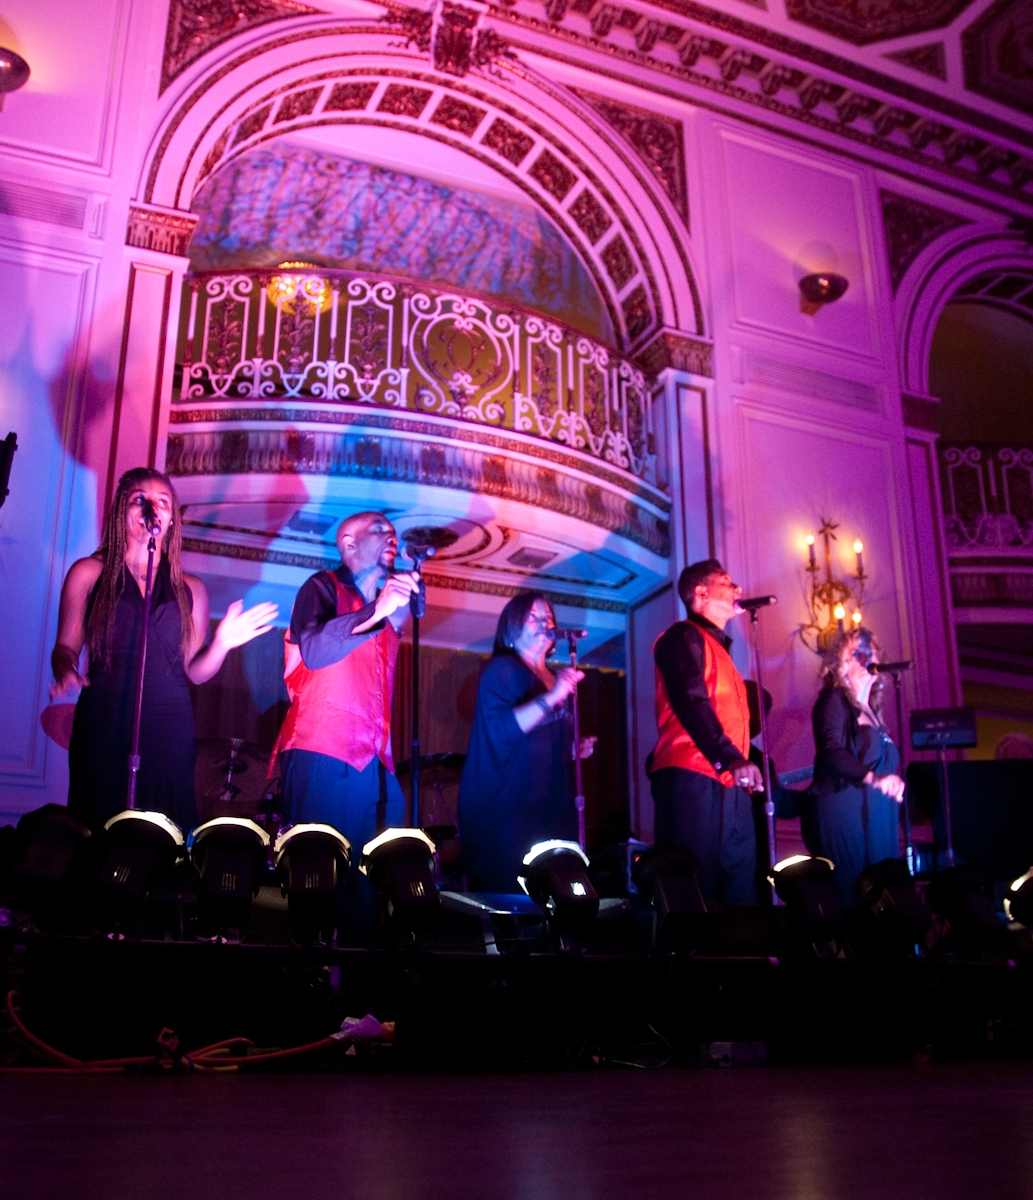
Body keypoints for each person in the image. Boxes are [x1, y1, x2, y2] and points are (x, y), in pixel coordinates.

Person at [50, 467, 278, 831]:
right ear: (121, 510)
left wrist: (221, 644)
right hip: (105, 715)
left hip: (169, 724)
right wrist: (64, 670)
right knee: (97, 819)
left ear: (172, 519)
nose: (151, 508)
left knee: (160, 828)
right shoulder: (89, 573)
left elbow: (195, 670)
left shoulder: (191, 588)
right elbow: (65, 647)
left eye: (162, 502)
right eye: (140, 499)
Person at [270, 511, 420, 917]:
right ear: (348, 544)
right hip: (322, 754)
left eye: (394, 531)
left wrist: (388, 607)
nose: (391, 536)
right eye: (379, 529)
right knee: (316, 881)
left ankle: (358, 976)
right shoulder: (321, 587)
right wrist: (378, 610)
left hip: (375, 766)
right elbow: (315, 651)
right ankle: (309, 975)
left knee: (368, 891)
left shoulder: (387, 610)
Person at [458, 591, 595, 892]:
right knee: (515, 895)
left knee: (556, 891)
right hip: (510, 808)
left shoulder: (557, 678)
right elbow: (502, 729)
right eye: (534, 616)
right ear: (510, 627)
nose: (544, 621)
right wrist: (554, 696)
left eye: (548, 617)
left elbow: (543, 740)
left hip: (553, 805)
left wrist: (572, 750)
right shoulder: (502, 669)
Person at [649, 559, 763, 904]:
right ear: (701, 592)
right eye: (727, 583)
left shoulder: (720, 651)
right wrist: (729, 757)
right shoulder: (681, 637)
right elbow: (690, 699)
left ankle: (737, 956)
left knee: (739, 883)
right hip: (692, 777)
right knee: (694, 886)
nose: (738, 590)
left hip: (728, 781)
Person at [808, 627, 906, 909]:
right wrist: (874, 778)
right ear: (840, 663)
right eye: (856, 652)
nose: (866, 657)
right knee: (854, 894)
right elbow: (831, 751)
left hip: (878, 817)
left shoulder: (874, 711)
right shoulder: (834, 700)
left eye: (871, 652)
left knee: (883, 897)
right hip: (846, 810)